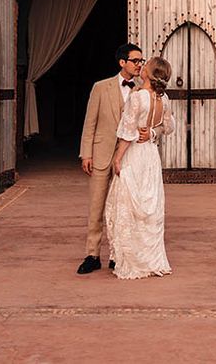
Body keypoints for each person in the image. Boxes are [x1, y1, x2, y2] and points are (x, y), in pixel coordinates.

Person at [76, 44, 147, 275]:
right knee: (96, 206)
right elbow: (90, 123)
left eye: (141, 61)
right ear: (122, 63)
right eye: (135, 60)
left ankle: (118, 255)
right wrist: (86, 153)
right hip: (100, 154)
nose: (139, 65)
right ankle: (92, 255)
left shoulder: (142, 90)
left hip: (128, 157)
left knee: (123, 208)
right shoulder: (101, 87)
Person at [104, 56, 176, 279]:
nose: (141, 67)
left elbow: (127, 131)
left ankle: (132, 260)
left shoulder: (138, 98)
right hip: (151, 156)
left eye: (145, 65)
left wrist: (117, 158)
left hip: (135, 154)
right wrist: (153, 133)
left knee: (128, 204)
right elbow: (170, 125)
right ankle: (151, 258)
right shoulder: (163, 98)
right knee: (150, 207)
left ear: (149, 73)